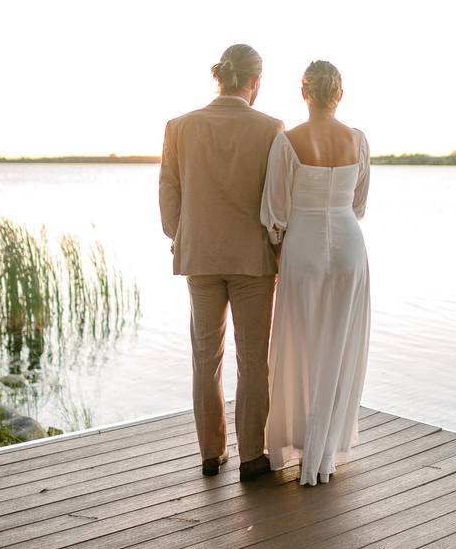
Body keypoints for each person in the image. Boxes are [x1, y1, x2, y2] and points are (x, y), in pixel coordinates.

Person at [158, 44, 284, 481]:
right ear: (255, 81)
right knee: (253, 359)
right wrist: (279, 246)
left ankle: (211, 453)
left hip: (200, 257)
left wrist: (182, 236)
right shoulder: (272, 129)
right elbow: (276, 201)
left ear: (221, 77)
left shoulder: (180, 127)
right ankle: (252, 454)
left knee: (204, 357)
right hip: (253, 259)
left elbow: (168, 193)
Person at [261, 60, 371, 486]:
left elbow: (275, 212)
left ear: (303, 91)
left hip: (302, 246)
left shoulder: (287, 142)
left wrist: (277, 253)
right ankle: (324, 453)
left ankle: (301, 443)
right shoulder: (358, 140)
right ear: (339, 93)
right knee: (338, 345)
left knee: (298, 344)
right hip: (348, 246)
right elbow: (359, 205)